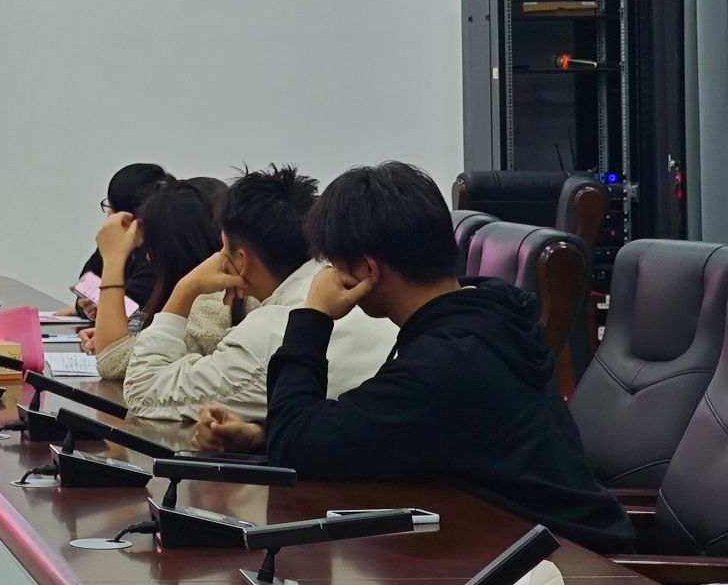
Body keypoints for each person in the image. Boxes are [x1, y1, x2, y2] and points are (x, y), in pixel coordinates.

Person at [199, 162, 634, 552]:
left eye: (335, 264)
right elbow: (368, 433)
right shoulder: (479, 315)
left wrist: (312, 317)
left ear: (367, 271)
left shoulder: (446, 361)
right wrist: (258, 435)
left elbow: (297, 447)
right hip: (517, 541)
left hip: (566, 563)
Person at [122, 166, 397, 422]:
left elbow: (143, 392)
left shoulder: (267, 333)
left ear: (242, 260)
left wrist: (186, 288)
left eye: (224, 248)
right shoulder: (370, 299)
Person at [83, 181, 257, 381]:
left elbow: (111, 360)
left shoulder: (211, 304)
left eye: (152, 244)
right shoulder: (213, 299)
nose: (148, 256)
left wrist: (113, 259)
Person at [54, 163, 171, 318]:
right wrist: (86, 309)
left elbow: (122, 311)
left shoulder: (160, 253)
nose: (109, 215)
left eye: (111, 206)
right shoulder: (116, 242)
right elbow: (85, 289)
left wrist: (100, 308)